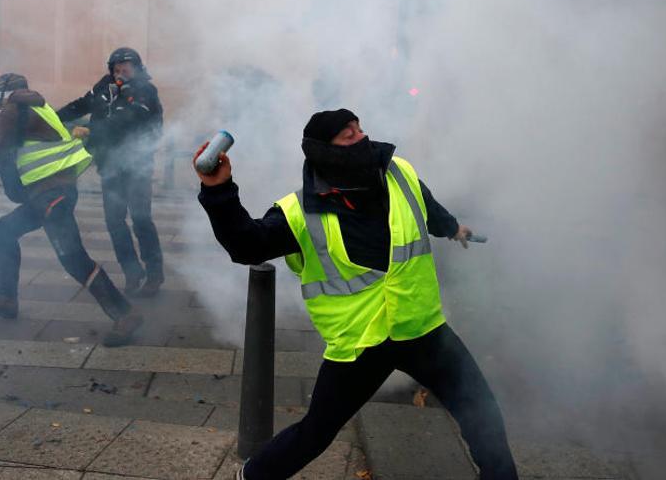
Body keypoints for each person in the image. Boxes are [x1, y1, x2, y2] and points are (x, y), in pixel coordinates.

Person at [196, 109, 519, 479]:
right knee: (316, 432)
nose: (361, 137)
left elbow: (426, 208)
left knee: (482, 411)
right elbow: (247, 246)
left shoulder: (400, 173)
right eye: (347, 135)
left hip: (423, 330)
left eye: (360, 128)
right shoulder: (299, 211)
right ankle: (252, 476)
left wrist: (454, 228)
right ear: (322, 150)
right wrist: (218, 190)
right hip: (362, 343)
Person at [0, 73, 143, 347]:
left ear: (4, 95)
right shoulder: (38, 106)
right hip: (49, 194)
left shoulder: (12, 109)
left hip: (50, 196)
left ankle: (125, 314)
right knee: (5, 230)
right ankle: (7, 299)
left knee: (73, 258)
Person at [57, 47, 165, 297]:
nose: (120, 72)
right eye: (116, 68)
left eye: (125, 66)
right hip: (110, 164)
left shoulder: (145, 90)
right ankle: (132, 271)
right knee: (114, 221)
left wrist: (91, 129)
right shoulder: (104, 87)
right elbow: (81, 104)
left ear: (136, 67)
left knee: (141, 219)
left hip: (137, 165)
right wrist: (53, 117)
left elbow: (128, 119)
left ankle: (155, 274)